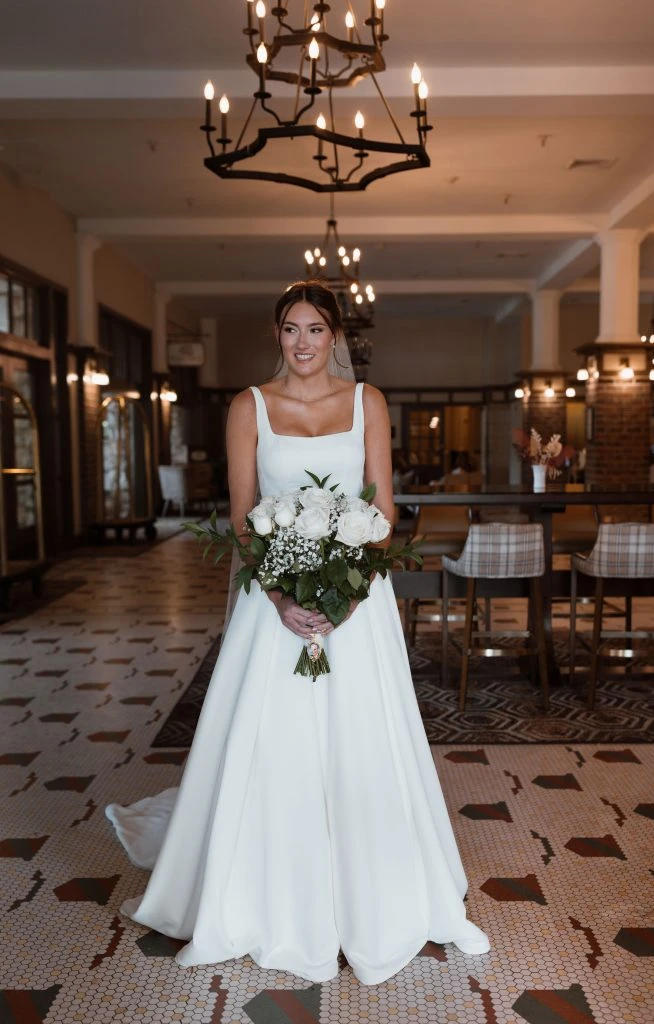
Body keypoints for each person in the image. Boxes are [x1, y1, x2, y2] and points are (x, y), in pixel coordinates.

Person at [106, 280, 489, 987]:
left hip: (357, 605)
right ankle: (255, 886)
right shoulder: (247, 406)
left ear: (335, 335)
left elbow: (384, 506)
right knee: (270, 735)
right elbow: (245, 512)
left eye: (315, 329)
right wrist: (283, 597)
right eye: (290, 329)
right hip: (271, 602)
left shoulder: (367, 402)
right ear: (275, 334)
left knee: (360, 735)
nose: (303, 343)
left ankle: (375, 886)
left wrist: (345, 593)